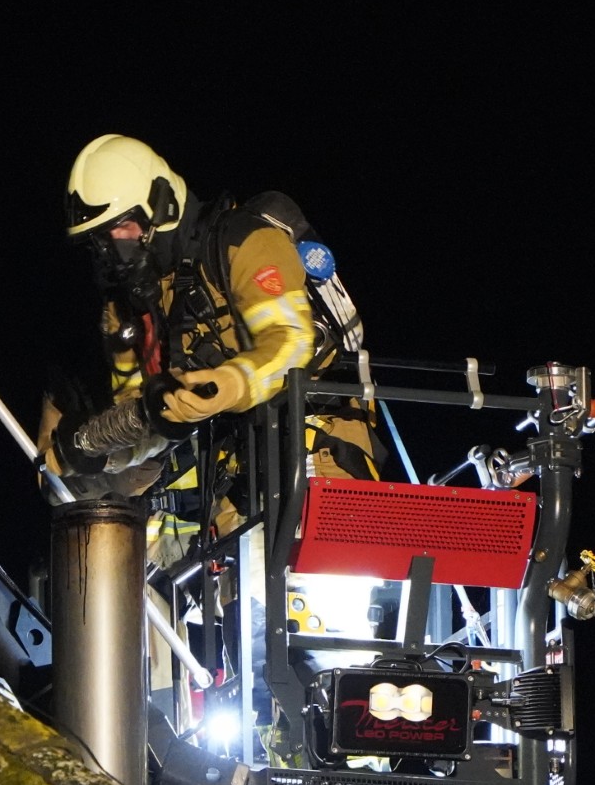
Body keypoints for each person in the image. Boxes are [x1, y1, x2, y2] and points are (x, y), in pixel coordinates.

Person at [37, 134, 380, 540]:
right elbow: (145, 420)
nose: (114, 249)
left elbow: (292, 341)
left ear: (160, 204)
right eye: (100, 240)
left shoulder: (242, 241)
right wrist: (95, 453)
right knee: (239, 595)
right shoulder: (126, 314)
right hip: (232, 475)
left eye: (121, 228)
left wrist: (228, 384)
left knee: (318, 582)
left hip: (317, 446)